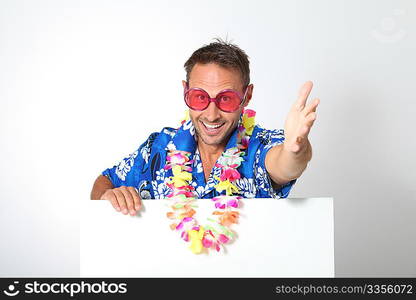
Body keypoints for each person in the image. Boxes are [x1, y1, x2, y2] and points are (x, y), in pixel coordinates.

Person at [90, 38, 319, 216]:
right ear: (185, 92)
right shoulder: (157, 149)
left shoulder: (260, 147)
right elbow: (103, 181)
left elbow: (284, 166)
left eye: (226, 99)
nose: (211, 115)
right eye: (200, 98)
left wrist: (294, 149)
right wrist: (108, 196)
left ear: (247, 96)